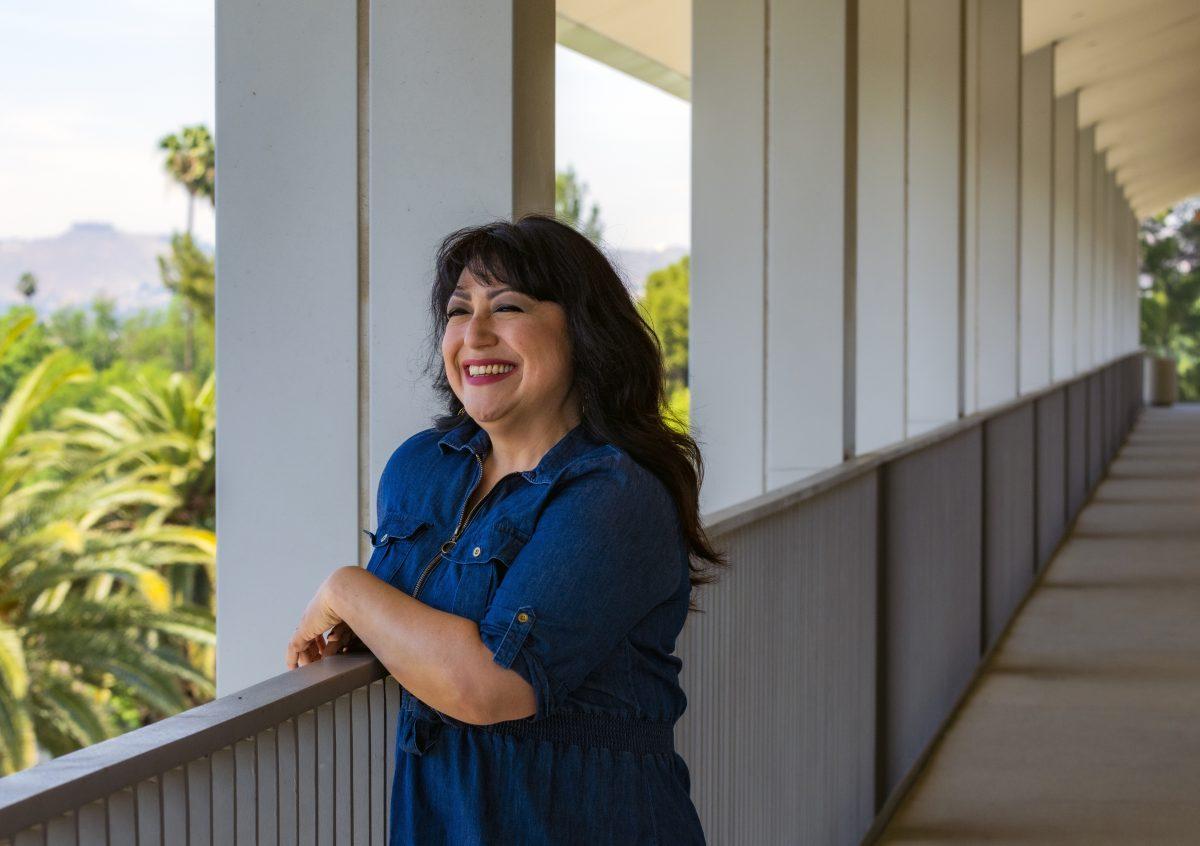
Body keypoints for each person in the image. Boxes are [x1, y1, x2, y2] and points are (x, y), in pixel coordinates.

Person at [285, 213, 726, 844]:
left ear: (583, 330)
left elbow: (493, 685)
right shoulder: (420, 468)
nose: (476, 333)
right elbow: (409, 629)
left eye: (508, 306)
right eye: (459, 311)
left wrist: (346, 590)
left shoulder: (613, 494)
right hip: (439, 822)